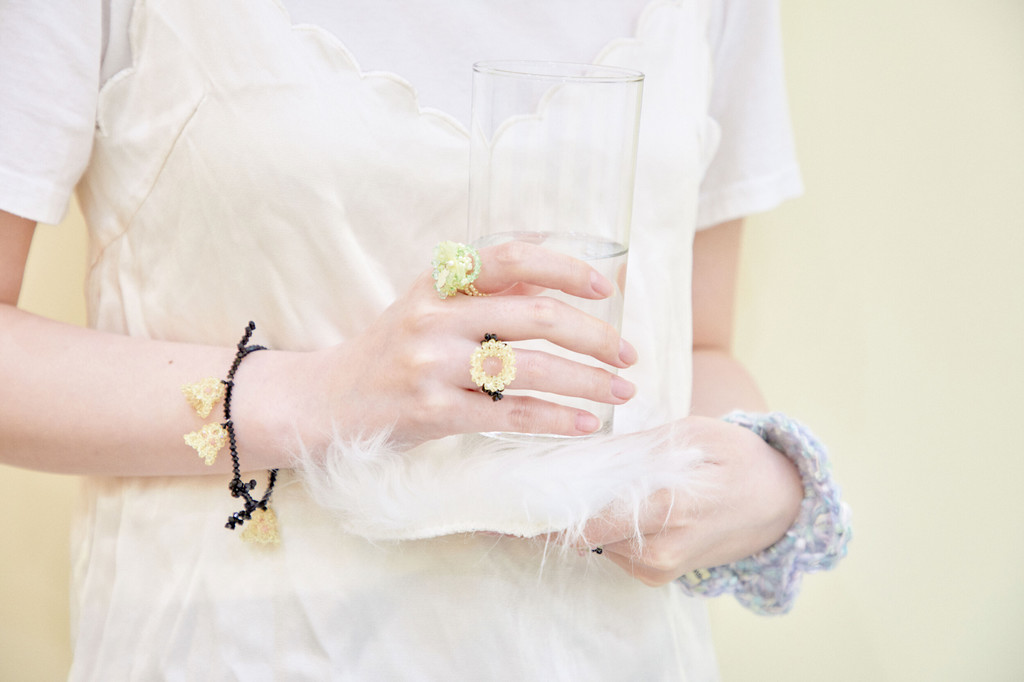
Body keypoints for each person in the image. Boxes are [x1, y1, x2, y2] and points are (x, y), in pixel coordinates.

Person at [0, 0, 848, 679]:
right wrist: (322, 397)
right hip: (238, 650)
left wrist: (760, 479)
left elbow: (694, 350)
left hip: (614, 654)